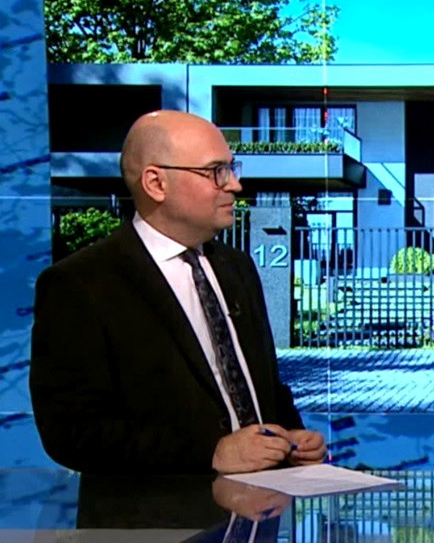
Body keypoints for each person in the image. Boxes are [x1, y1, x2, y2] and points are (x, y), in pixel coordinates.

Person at [30, 110, 326, 475]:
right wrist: (211, 453)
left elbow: (263, 386)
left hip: (262, 502)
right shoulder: (81, 284)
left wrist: (291, 436)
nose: (235, 185)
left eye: (232, 168)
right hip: (155, 508)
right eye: (216, 171)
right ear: (156, 183)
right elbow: (71, 432)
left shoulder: (237, 268)